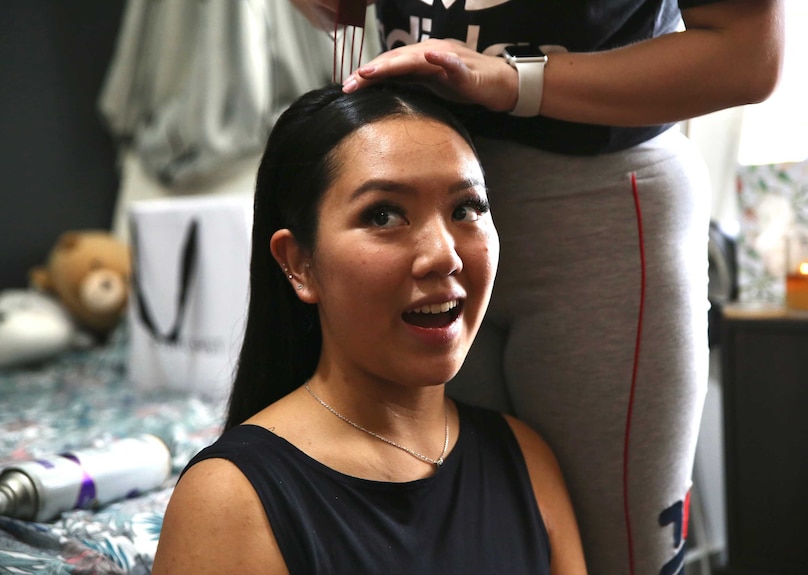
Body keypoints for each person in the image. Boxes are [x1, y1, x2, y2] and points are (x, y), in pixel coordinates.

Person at [285, 2, 785, 574]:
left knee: (620, 558)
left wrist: (515, 78)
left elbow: (750, 55)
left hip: (597, 194)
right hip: (429, 176)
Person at [151, 82, 588, 575]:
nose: (444, 254)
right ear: (300, 264)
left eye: (466, 209)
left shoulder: (525, 461)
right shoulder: (231, 500)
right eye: (384, 215)